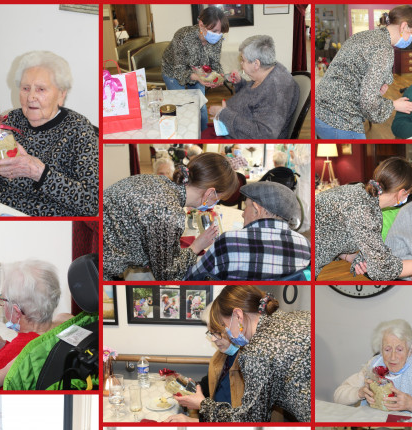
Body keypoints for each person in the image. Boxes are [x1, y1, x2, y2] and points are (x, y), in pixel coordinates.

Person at [0, 51, 98, 216]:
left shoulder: (79, 129)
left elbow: (92, 202)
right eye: (26, 88)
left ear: (61, 94)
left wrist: (39, 172)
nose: (31, 96)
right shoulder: (11, 119)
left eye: (41, 89)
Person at [315, 157, 412, 280]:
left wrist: (353, 257)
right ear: (402, 193)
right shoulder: (364, 211)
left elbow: (333, 233)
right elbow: (384, 269)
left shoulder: (360, 193)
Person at [171, 286, 310, 422]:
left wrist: (202, 407)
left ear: (238, 316)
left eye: (222, 329)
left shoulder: (255, 353)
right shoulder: (298, 316)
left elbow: (250, 419)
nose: (226, 335)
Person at [103, 153, 239, 280]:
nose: (216, 203)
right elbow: (165, 273)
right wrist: (196, 247)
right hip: (101, 266)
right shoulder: (170, 212)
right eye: (218, 198)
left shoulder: (159, 181)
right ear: (209, 193)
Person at [315, 6, 412, 138]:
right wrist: (394, 104)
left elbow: (351, 75)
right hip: (340, 118)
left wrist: (374, 91)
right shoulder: (383, 49)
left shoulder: (366, 35)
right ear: (404, 27)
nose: (411, 39)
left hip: (321, 110)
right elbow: (368, 101)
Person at [0, 260, 65, 388]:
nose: (2, 306)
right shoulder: (63, 330)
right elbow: (32, 356)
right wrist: (6, 347)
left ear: (16, 311)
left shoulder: (1, 362)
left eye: (3, 300)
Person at [185, 181, 310, 280]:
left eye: (246, 207)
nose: (243, 214)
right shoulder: (305, 245)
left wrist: (194, 248)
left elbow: (190, 278)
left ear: (257, 209)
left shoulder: (229, 242)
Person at [333, 320, 412, 421]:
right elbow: (338, 396)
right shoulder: (374, 365)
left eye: (399, 350)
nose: (393, 357)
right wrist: (359, 393)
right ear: (381, 349)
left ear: (410, 350)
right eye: (387, 349)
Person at [208, 36, 299, 139]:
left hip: (235, 135)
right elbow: (255, 97)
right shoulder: (270, 68)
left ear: (256, 64)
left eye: (243, 60)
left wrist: (224, 114)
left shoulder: (274, 90)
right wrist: (240, 83)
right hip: (229, 124)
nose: (241, 64)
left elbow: (264, 135)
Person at [162, 7, 229, 132]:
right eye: (214, 31)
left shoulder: (217, 39)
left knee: (201, 107)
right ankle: (183, 134)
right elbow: (179, 70)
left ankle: (202, 135)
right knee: (180, 107)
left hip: (198, 71)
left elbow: (214, 62)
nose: (218, 36)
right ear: (201, 24)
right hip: (173, 71)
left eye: (220, 32)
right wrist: (198, 78)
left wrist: (219, 76)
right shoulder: (183, 36)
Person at [198, 305, 245, 408]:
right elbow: (212, 383)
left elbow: (238, 417)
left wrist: (202, 406)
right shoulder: (221, 355)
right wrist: (194, 386)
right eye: (211, 333)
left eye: (217, 332)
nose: (213, 339)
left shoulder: (247, 363)